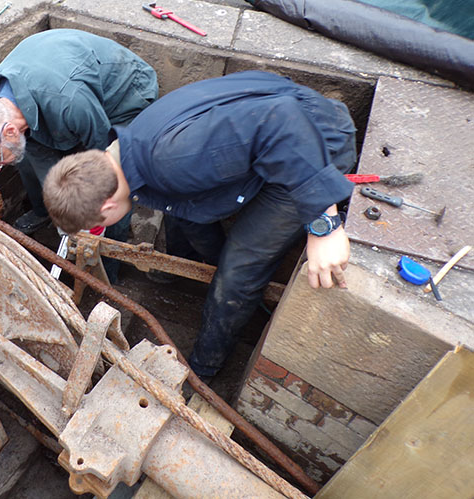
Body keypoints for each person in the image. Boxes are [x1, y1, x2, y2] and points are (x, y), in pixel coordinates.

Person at [42, 71, 357, 379]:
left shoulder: (172, 159)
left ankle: (204, 370)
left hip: (315, 146)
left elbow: (281, 119)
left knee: (240, 268)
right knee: (180, 210)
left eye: (99, 225)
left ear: (108, 207)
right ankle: (189, 275)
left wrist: (324, 223)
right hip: (275, 134)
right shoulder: (130, 150)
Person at [0, 28, 158, 235]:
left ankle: (113, 247)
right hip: (60, 90)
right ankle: (43, 212)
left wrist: (90, 221)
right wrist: (61, 210)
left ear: (10, 132)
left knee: (109, 185)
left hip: (124, 95)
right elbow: (39, 161)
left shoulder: (70, 103)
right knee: (23, 160)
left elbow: (104, 162)